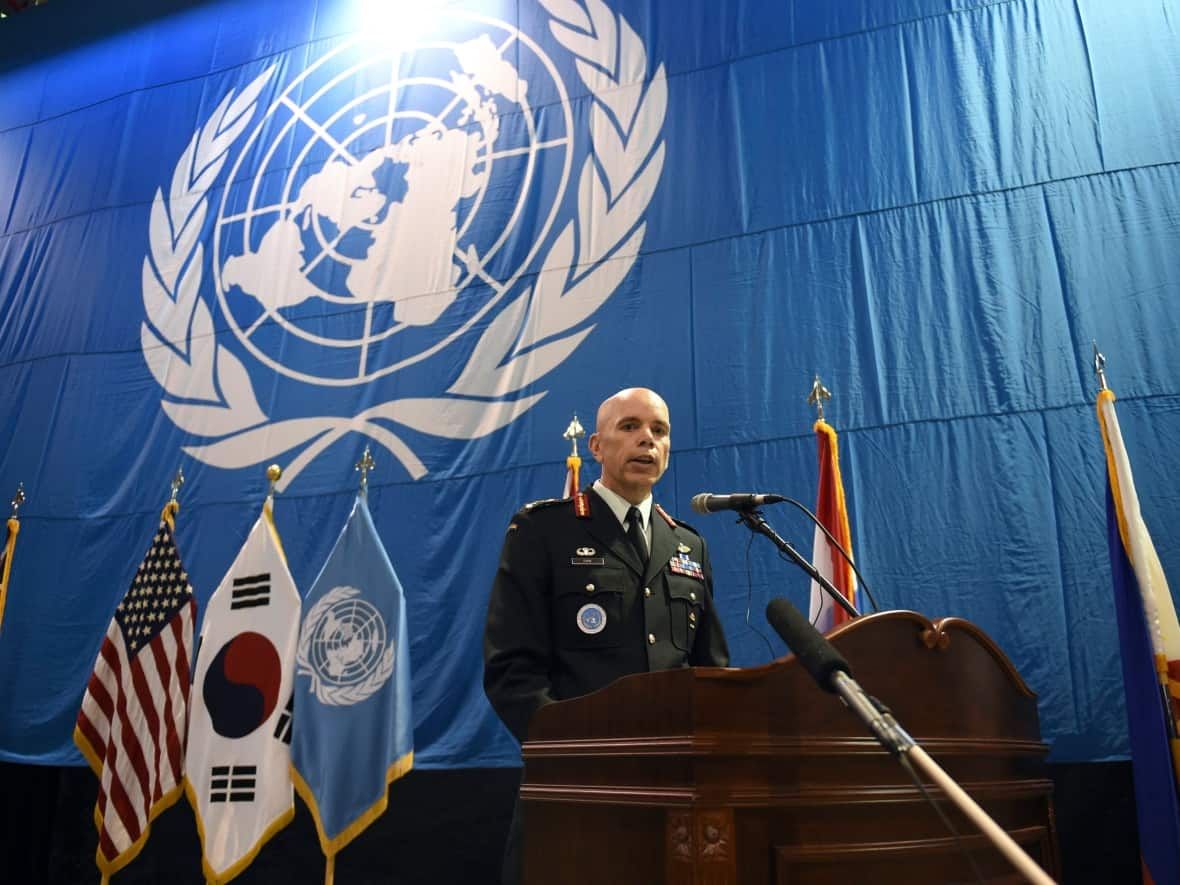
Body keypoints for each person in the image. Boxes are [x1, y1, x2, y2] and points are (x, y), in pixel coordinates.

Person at [483, 387, 730, 883]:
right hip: (575, 790)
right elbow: (512, 669)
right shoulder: (544, 531)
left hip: (672, 797)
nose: (647, 441)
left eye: (659, 431)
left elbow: (709, 673)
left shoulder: (688, 545)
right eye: (630, 427)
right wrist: (575, 759)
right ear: (596, 447)